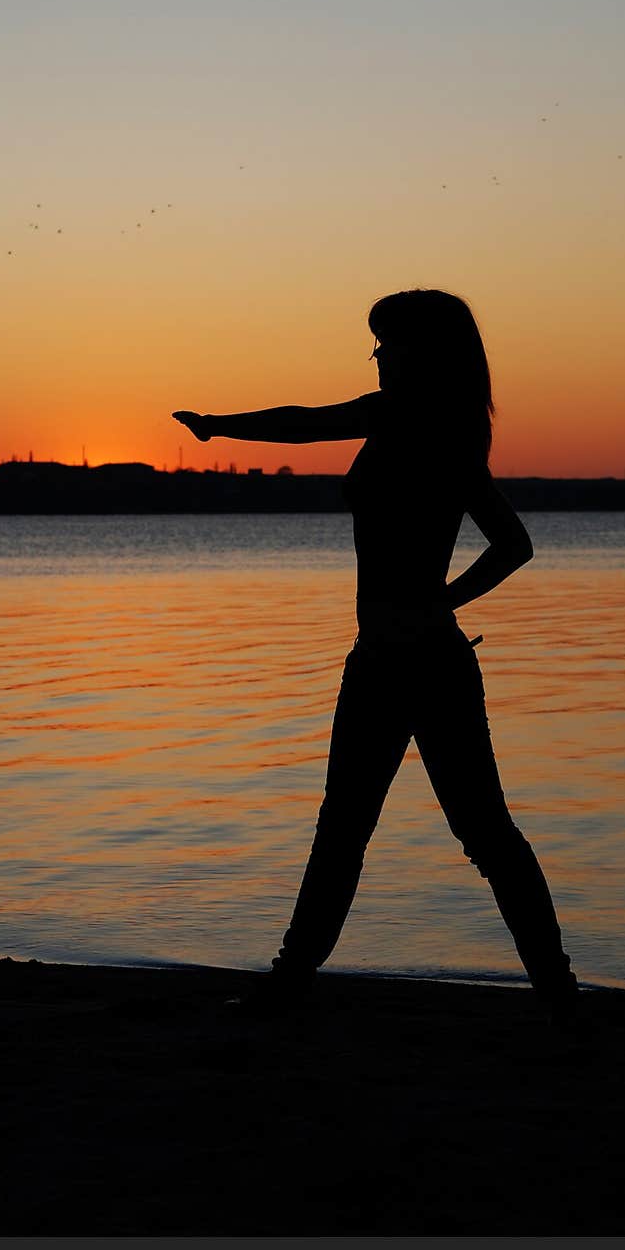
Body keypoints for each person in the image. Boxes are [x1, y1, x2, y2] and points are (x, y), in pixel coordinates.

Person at [173, 288, 580, 1024]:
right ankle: (553, 989)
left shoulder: (402, 418)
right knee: (409, 828)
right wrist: (446, 603)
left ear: (423, 353)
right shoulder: (455, 434)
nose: (378, 354)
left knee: (436, 829)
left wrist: (217, 427)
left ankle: (551, 987)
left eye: (388, 342)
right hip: (395, 657)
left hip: (415, 661)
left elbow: (305, 424)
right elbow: (513, 544)